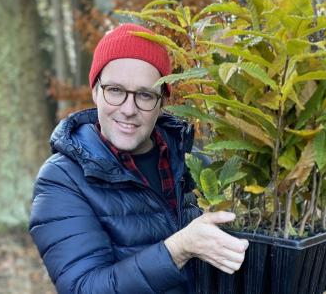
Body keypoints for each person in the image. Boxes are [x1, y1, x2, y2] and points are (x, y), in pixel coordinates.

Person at [29, 23, 249, 294]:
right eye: (115, 90)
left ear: (162, 102)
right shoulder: (62, 179)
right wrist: (179, 249)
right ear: (96, 91)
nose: (129, 109)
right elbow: (84, 288)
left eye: (145, 95)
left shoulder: (194, 164)